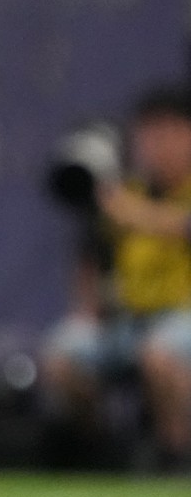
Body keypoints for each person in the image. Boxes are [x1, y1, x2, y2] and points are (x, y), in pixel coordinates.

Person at [41, 87, 191, 472]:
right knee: (63, 355)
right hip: (128, 324)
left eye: (167, 134)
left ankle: (174, 455)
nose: (156, 146)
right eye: (148, 135)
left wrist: (127, 211)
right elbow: (91, 258)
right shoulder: (128, 190)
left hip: (181, 320)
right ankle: (100, 450)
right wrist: (86, 312)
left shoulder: (131, 202)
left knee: (159, 354)